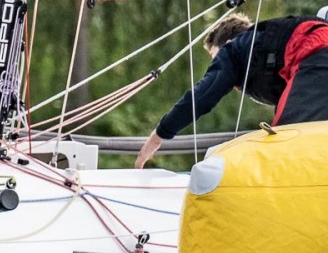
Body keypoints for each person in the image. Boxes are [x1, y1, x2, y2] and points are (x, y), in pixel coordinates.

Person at [135, 12, 328, 168]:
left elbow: (204, 94)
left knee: (285, 146)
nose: (218, 65)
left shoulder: (233, 49)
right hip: (315, 53)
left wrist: (160, 134)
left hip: (315, 50)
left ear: (227, 44)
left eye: (215, 59)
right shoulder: (267, 48)